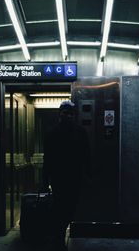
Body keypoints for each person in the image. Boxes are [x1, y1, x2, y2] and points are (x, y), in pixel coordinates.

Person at [42, 100, 91, 251]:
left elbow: (86, 156)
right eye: (66, 113)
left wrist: (45, 180)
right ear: (60, 114)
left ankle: (57, 236)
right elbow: (48, 159)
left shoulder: (53, 133)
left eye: (70, 113)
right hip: (66, 178)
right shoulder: (78, 132)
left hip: (65, 177)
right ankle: (58, 237)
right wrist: (45, 181)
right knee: (63, 208)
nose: (68, 116)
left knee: (65, 208)